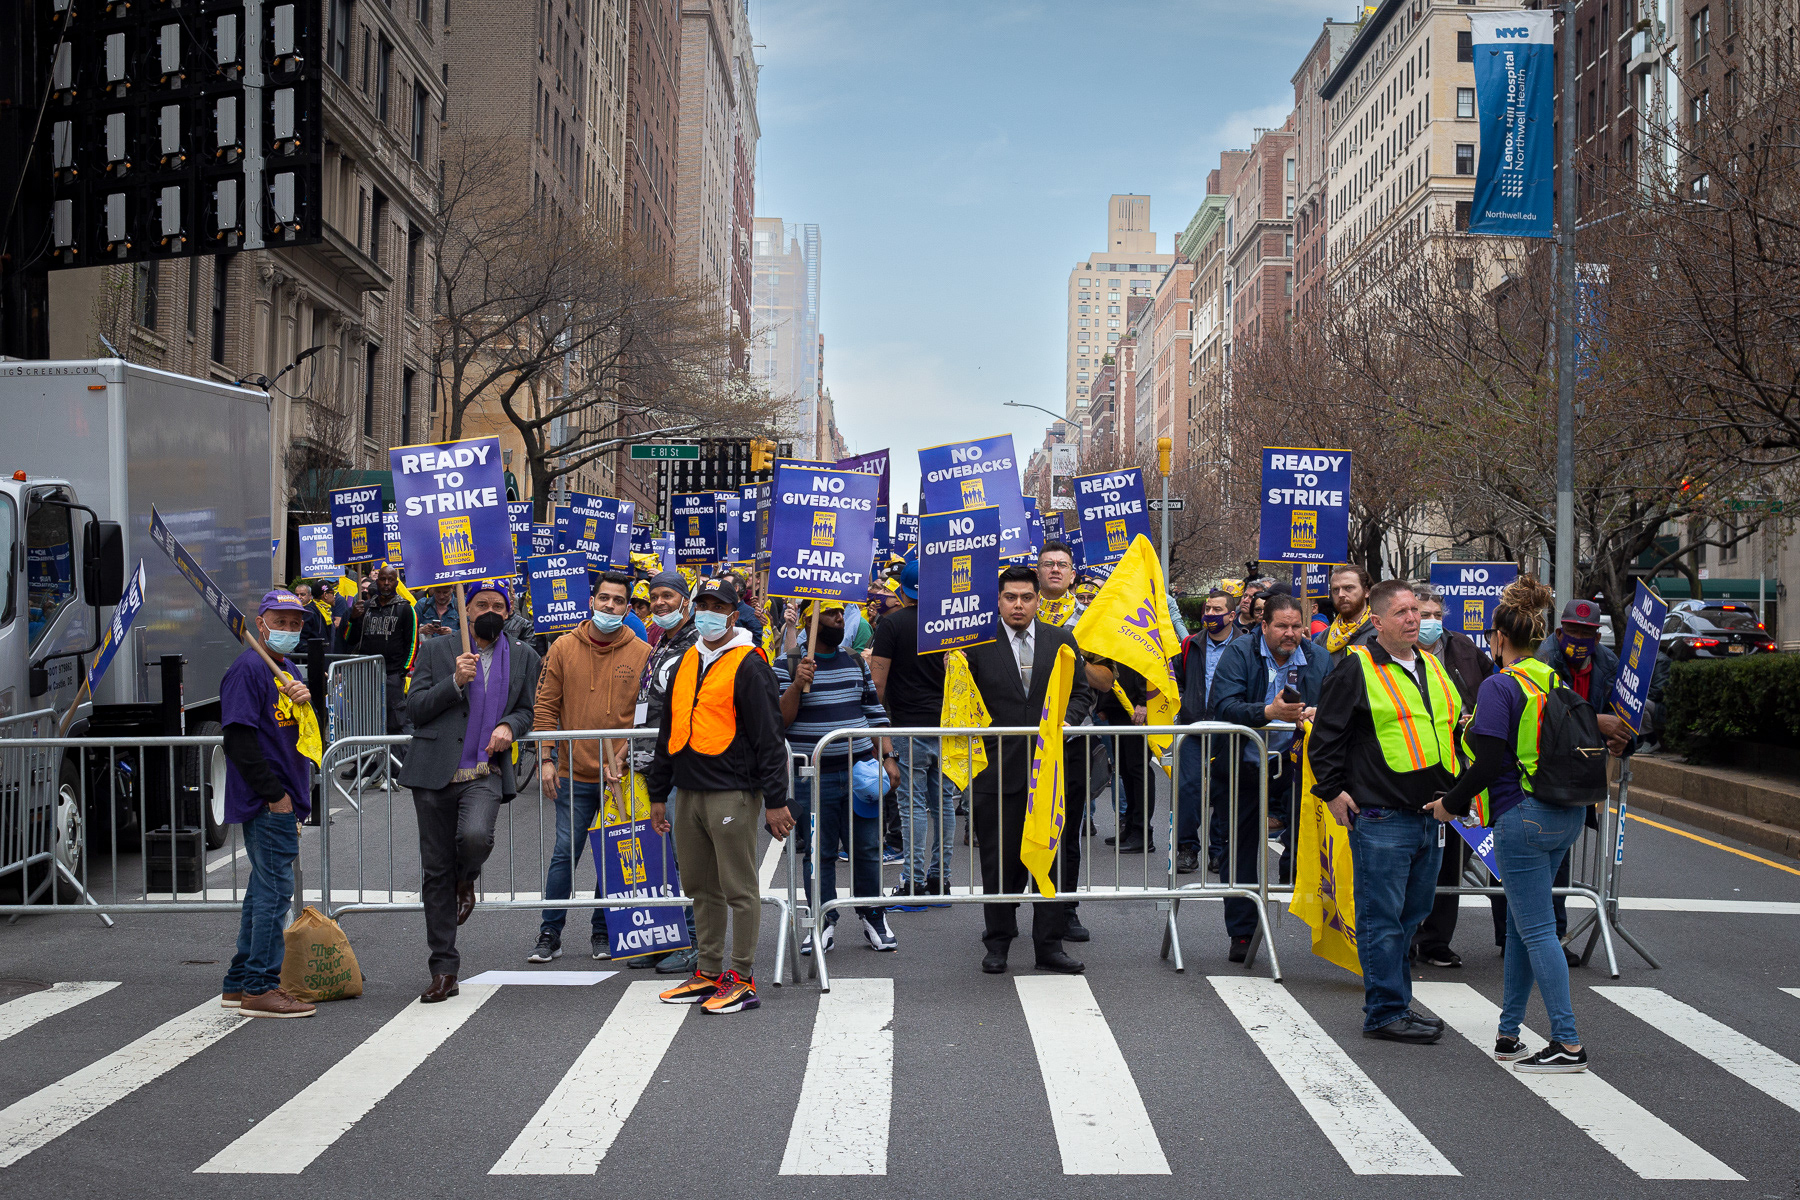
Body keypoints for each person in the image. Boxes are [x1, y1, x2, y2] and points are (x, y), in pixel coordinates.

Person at [1427, 575, 1603, 1073]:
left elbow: (1484, 764)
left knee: (1538, 930)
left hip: (1521, 818)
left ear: (1499, 637)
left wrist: (1450, 805)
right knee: (1528, 927)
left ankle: (1568, 1044)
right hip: (1564, 816)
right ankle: (1509, 1033)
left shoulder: (1499, 686)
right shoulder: (1551, 680)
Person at [1308, 578, 1461, 1043]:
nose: (1415, 619)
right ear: (1377, 622)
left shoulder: (1432, 666)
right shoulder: (1355, 668)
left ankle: (1397, 1003)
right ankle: (1385, 1012)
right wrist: (1332, 792)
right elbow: (1325, 738)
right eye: (1403, 613)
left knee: (1411, 917)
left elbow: (1450, 729)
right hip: (1382, 817)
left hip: (1429, 815)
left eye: (1417, 611)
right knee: (1382, 919)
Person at [645, 578, 793, 1015]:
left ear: (734, 613)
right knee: (699, 886)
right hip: (689, 790)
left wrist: (775, 799)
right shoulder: (688, 659)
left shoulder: (749, 663)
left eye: (718, 605)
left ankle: (741, 977)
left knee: (738, 887)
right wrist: (658, 791)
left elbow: (769, 736)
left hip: (732, 791)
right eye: (703, 604)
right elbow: (669, 729)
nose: (709, 612)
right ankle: (708, 970)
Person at [399, 581, 542, 1003]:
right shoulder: (437, 651)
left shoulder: (524, 657)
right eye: (482, 603)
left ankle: (468, 877)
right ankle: (443, 968)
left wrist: (508, 727)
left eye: (499, 605)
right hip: (432, 774)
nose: (490, 610)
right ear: (466, 609)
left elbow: (527, 711)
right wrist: (455, 682)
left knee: (476, 837)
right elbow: (415, 708)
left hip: (484, 772)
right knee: (434, 871)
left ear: (509, 610)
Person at [959, 565, 1101, 976]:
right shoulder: (973, 644)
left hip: (1049, 773)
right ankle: (998, 943)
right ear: (998, 600)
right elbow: (958, 695)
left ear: (1039, 600)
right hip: (995, 769)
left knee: (1050, 860)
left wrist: (1068, 722)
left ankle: (1049, 945)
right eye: (1010, 598)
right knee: (998, 862)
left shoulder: (1061, 640)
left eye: (1026, 597)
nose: (1018, 605)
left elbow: (1081, 692)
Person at [529, 571, 653, 966]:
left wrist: (624, 759)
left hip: (622, 776)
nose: (610, 607)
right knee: (566, 852)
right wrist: (546, 757)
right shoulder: (562, 648)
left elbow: (646, 717)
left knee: (614, 853)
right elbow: (546, 706)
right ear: (592, 601)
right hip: (573, 773)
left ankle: (604, 930)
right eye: (604, 599)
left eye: (618, 601)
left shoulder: (643, 653)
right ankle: (550, 931)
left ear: (628, 607)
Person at [775, 598, 900, 954]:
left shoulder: (854, 662)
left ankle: (873, 915)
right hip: (812, 780)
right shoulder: (785, 665)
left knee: (867, 849)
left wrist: (888, 755)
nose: (837, 619)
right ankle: (821, 921)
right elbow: (779, 722)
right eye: (829, 614)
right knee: (818, 852)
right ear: (809, 621)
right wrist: (797, 685)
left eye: (839, 613)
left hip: (860, 773)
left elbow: (874, 712)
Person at [1208, 595, 1328, 961]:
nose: (1290, 634)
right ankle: (1242, 934)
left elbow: (1334, 705)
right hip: (1244, 765)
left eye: (1296, 626)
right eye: (1281, 626)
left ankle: (1318, 919)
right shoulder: (1241, 653)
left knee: (1309, 837)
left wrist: (1316, 713)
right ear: (1264, 626)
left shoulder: (1318, 657)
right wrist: (1267, 711)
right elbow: (1222, 705)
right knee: (1241, 848)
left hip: (1296, 766)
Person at [218, 590, 317, 1018]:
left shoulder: (285, 668)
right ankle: (261, 986)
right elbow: (238, 739)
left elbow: (304, 731)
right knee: (276, 893)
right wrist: (275, 796)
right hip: (268, 801)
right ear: (262, 623)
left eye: (296, 624)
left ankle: (240, 982)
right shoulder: (248, 669)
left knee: (263, 890)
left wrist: (307, 700)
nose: (289, 630)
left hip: (284, 797)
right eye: (281, 622)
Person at [1409, 580, 1498, 969]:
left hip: (1459, 770)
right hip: (1410, 768)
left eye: (1434, 616)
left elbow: (1493, 689)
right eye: (1420, 614)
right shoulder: (1392, 651)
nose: (1427, 622)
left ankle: (1435, 940)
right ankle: (1404, 936)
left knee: (1451, 860)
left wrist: (1474, 719)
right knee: (1408, 859)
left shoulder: (1463, 649)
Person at [871, 558, 962, 899]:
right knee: (943, 804)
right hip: (947, 726)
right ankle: (942, 879)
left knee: (912, 807)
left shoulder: (892, 625)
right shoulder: (952, 624)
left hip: (909, 726)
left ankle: (913, 881)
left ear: (903, 591)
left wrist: (880, 733)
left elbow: (878, 685)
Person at [632, 569, 702, 973]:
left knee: (683, 860)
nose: (659, 603)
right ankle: (663, 937)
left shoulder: (694, 644)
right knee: (656, 861)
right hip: (647, 762)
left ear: (685, 602)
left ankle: (692, 941)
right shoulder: (661, 641)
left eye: (667, 597)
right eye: (654, 597)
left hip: (676, 767)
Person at [1175, 588, 1238, 874]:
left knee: (1224, 792)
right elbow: (1175, 677)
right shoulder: (1191, 645)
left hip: (1229, 731)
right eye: (1207, 609)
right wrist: (1182, 703)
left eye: (1216, 610)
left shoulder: (1245, 646)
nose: (1210, 615)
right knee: (1188, 789)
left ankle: (1219, 851)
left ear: (1232, 615)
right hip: (1193, 729)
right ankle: (1187, 848)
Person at [342, 564, 419, 760]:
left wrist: (403, 671)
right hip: (366, 673)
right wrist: (352, 619)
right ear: (377, 581)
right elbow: (349, 639)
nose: (386, 583)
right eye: (383, 579)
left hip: (392, 674)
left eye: (390, 580)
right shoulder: (365, 607)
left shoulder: (406, 609)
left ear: (396, 582)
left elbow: (412, 643)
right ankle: (367, 766)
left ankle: (396, 768)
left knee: (395, 721)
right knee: (366, 719)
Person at [1314, 564, 1379, 665]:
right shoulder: (1324, 637)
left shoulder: (1381, 632)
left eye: (1348, 588)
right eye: (1335, 590)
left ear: (1366, 591)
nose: (1341, 594)